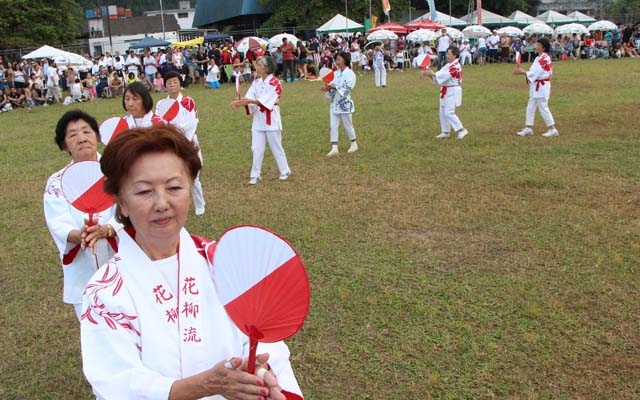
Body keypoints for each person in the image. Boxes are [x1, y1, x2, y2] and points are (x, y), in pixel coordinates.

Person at [81, 124, 304, 400]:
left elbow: (264, 339)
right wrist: (207, 386)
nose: (162, 203)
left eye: (174, 187)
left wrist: (261, 370)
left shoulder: (224, 261)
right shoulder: (104, 292)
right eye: (143, 192)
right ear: (122, 204)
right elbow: (117, 382)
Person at [44, 110, 120, 321]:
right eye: (73, 135)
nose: (82, 138)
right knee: (93, 328)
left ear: (97, 136)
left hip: (121, 260)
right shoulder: (56, 182)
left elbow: (130, 207)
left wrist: (109, 229)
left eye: (87, 131)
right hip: (82, 268)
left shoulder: (117, 171)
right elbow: (57, 220)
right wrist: (79, 235)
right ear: (64, 145)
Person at [231, 56, 291, 185]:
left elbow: (268, 98)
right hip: (258, 119)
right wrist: (241, 102)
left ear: (267, 68)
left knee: (276, 146)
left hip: (271, 118)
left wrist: (250, 101)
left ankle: (284, 170)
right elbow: (249, 96)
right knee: (256, 148)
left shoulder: (275, 82)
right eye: (257, 65)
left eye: (260, 65)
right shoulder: (256, 82)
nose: (257, 67)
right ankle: (255, 174)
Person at [156, 70, 206, 215]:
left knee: (193, 175)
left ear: (180, 84)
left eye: (175, 82)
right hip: (170, 145)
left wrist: (177, 134)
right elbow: (158, 122)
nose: (172, 85)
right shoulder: (161, 104)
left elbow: (192, 122)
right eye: (169, 83)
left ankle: (200, 204)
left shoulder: (187, 101)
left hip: (188, 142)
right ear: (165, 86)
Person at [513, 37, 559, 138]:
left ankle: (552, 128)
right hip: (536, 85)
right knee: (530, 106)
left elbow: (536, 73)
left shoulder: (544, 58)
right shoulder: (538, 58)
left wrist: (522, 72)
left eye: (538, 45)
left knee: (543, 106)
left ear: (543, 47)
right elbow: (533, 72)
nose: (536, 46)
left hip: (542, 86)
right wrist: (524, 72)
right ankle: (529, 127)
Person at [422, 45, 469, 140]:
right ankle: (445, 131)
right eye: (447, 54)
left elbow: (444, 75)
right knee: (442, 112)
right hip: (446, 90)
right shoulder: (448, 65)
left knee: (449, 112)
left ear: (455, 55)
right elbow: (438, 77)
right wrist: (429, 74)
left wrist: (432, 73)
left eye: (449, 54)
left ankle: (461, 129)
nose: (447, 56)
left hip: (452, 90)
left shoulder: (456, 66)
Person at [321, 51, 359, 157]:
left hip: (345, 104)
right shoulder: (335, 73)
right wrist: (327, 87)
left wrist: (332, 87)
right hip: (334, 103)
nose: (336, 62)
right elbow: (331, 84)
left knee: (348, 125)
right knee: (333, 126)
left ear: (345, 60)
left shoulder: (350, 74)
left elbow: (348, 88)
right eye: (336, 59)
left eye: (338, 59)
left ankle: (354, 143)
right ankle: (334, 147)